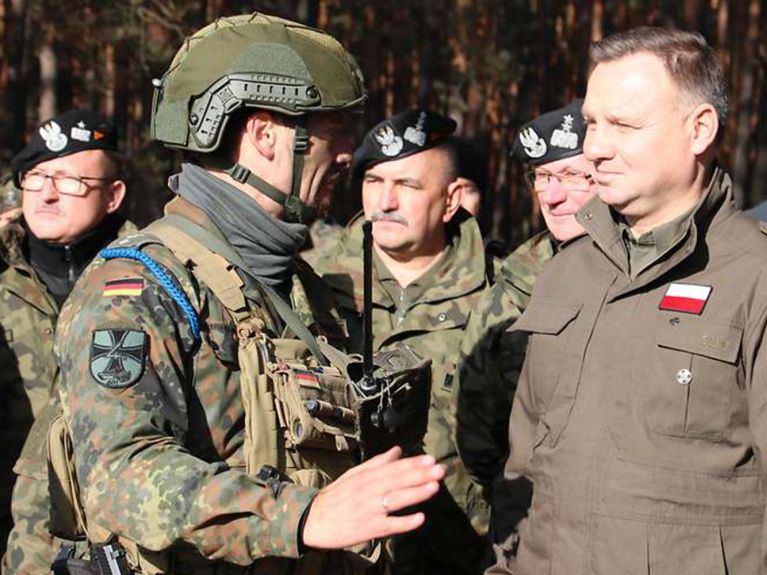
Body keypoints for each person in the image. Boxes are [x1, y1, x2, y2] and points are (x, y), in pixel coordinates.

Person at [50, 13, 444, 574]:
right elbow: (122, 475)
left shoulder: (299, 288)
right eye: (335, 129)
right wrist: (301, 517)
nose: (349, 155)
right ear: (265, 135)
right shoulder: (140, 288)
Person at [489, 27, 767, 574]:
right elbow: (523, 468)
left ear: (699, 129)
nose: (595, 147)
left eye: (624, 124)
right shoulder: (566, 272)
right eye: (593, 122)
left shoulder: (753, 276)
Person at [314, 109, 499, 575]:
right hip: (331, 554)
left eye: (408, 186)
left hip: (456, 554)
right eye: (374, 181)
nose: (385, 202)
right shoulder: (312, 281)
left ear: (453, 199)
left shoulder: (502, 295)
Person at [456, 99, 594, 544]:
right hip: (533, 531)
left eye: (574, 176)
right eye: (543, 177)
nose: (553, 197)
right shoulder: (516, 284)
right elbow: (477, 429)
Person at [0, 109, 133, 569]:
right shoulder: (3, 277)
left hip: (107, 540)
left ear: (113, 196)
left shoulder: (150, 282)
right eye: (35, 177)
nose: (48, 194)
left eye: (71, 181)